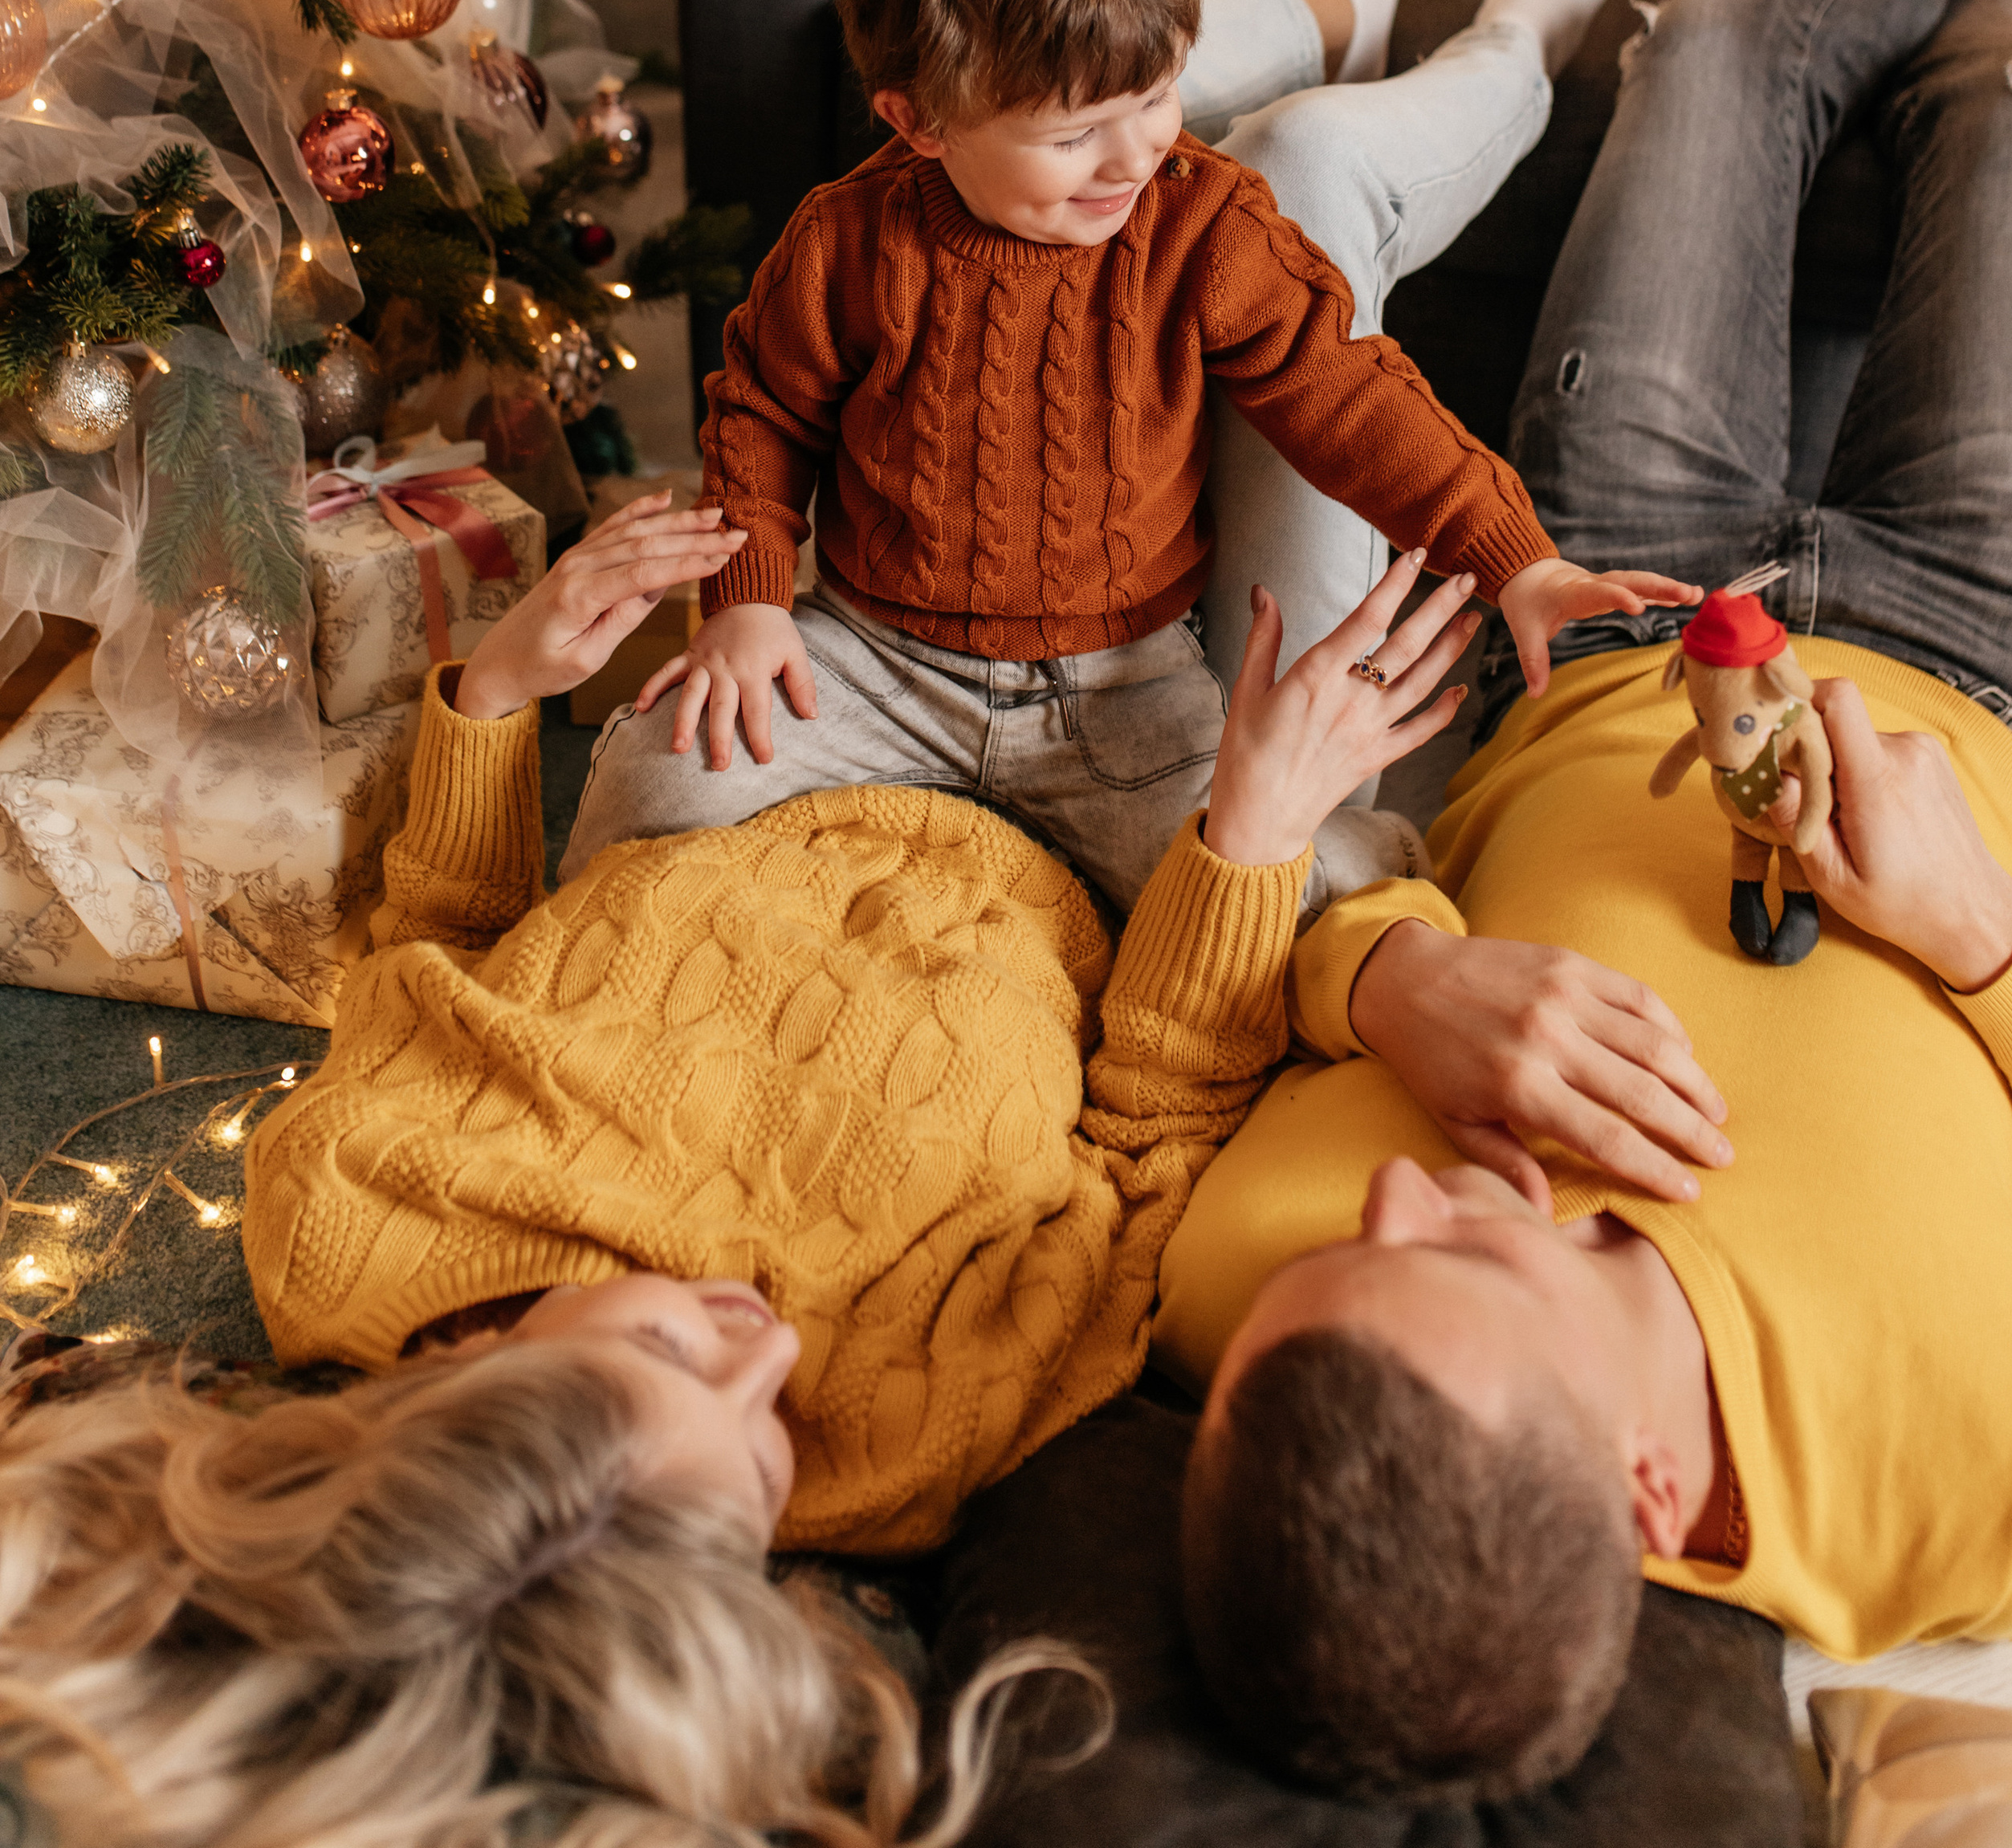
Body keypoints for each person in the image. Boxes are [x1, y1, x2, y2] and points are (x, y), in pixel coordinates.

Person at [0, 496, 1479, 1848]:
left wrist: (503, 686)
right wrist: (1255, 836)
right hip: (1096, 860)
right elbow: (1150, 1144)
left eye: (665, 1346)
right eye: (764, 1450)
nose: (764, 1348)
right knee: (1349, 501)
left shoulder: (340, 1223)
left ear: (478, 1351)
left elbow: (440, 948)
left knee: (1086, 319)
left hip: (739, 774)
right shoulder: (917, 1453)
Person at [1166, 0, 2012, 1806]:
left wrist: (1381, 991)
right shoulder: (1974, 1492)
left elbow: (1218, 967)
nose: (1401, 1201)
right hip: (1999, 657)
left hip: (1618, 606)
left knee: (1721, 54)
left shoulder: (1270, 1309)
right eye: (1471, 1251)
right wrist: (1985, 937)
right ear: (1654, 1506)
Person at [565, 0, 1687, 905]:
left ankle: (1460, 21)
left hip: (1121, 696)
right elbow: (763, 414)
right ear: (919, 125)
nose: (1135, 157)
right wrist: (750, 602)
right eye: (1072, 136)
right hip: (876, 662)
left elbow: (1349, 396)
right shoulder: (845, 242)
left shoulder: (1202, 219)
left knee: (1287, 890)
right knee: (652, 781)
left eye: (1157, 99)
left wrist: (1519, 562)